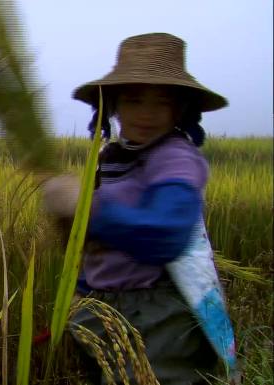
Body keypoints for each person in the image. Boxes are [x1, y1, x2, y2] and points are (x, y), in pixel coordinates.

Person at [42, 33, 239, 384]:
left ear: (180, 108)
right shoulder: (113, 156)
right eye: (134, 100)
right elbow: (96, 245)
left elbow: (165, 234)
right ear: (114, 105)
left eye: (161, 102)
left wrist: (87, 208)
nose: (146, 114)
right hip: (103, 307)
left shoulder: (176, 156)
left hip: (157, 317)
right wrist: (83, 291)